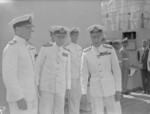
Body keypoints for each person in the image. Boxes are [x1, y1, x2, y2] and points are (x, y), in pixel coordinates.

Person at [80, 25, 122, 114]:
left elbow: (116, 71)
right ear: (90, 37)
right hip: (95, 89)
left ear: (102, 36)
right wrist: (83, 92)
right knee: (97, 111)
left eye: (98, 36)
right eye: (93, 37)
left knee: (114, 111)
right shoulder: (86, 53)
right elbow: (83, 74)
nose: (95, 39)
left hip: (111, 88)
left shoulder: (110, 49)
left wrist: (118, 89)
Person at [2, 14, 38, 114]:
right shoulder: (12, 48)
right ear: (18, 29)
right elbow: (8, 76)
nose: (31, 30)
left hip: (32, 97)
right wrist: (19, 98)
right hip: (21, 100)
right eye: (28, 28)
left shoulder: (28, 47)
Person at [36, 25, 71, 114]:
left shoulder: (67, 52)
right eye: (59, 37)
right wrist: (36, 84)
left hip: (60, 87)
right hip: (46, 87)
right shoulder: (45, 48)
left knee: (59, 111)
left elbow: (68, 72)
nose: (61, 39)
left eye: (63, 37)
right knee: (45, 111)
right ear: (54, 37)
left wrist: (68, 88)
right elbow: (37, 67)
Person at [65, 27, 82, 114]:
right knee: (72, 98)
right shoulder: (67, 47)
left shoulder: (79, 48)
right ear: (70, 36)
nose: (75, 36)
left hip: (79, 76)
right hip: (71, 76)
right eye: (73, 35)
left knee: (78, 96)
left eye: (76, 35)